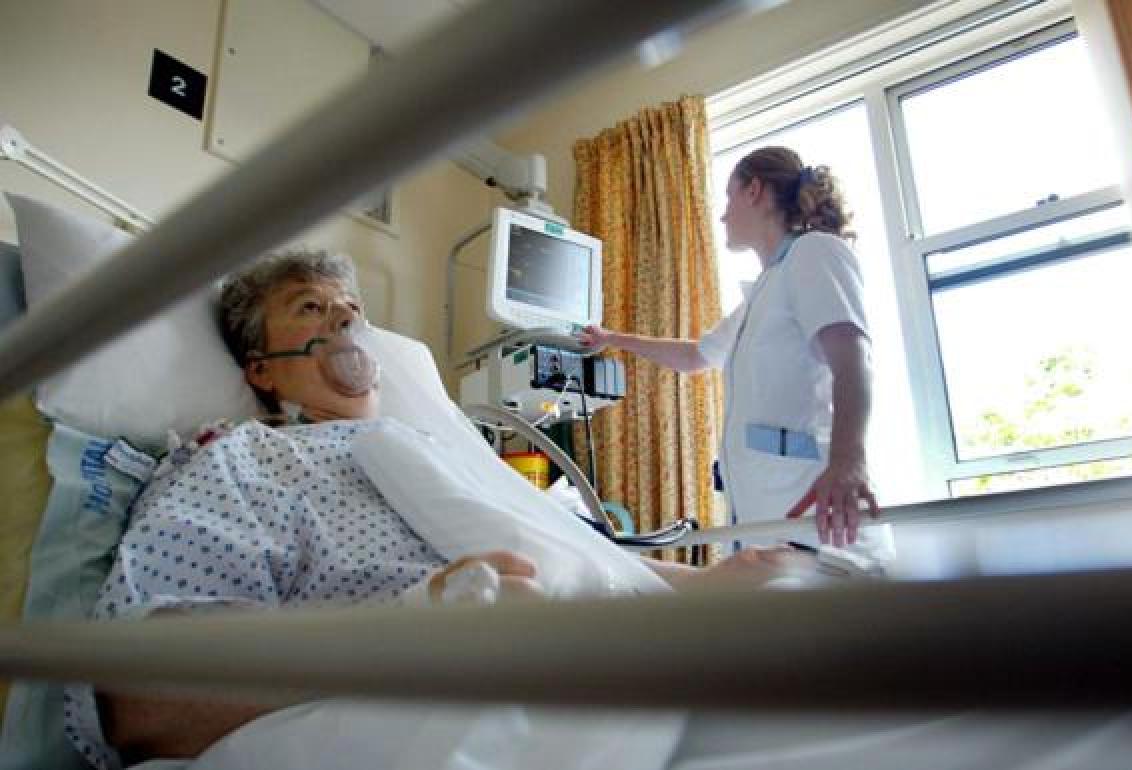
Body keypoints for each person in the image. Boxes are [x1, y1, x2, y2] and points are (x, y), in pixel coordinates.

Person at [62, 248, 800, 770]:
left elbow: (586, 567)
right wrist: (413, 635)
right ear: (260, 368)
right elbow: (143, 700)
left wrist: (710, 589)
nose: (346, 323)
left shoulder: (462, 458)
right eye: (313, 309)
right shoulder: (243, 460)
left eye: (352, 309)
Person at [578, 146, 881, 549]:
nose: (722, 215)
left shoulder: (814, 251)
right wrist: (613, 338)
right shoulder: (760, 296)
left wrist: (848, 461)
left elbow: (852, 357)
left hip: (819, 522)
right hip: (771, 526)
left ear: (754, 190)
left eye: (728, 198)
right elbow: (694, 356)